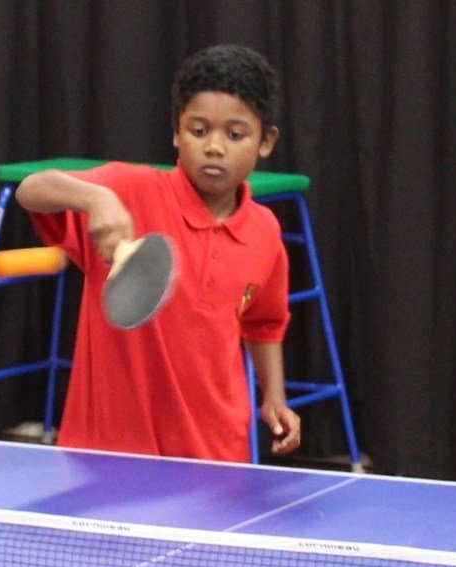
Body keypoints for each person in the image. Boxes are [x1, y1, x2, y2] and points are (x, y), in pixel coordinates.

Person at [16, 44, 299, 462]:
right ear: (176, 131)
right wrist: (94, 198)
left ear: (266, 141)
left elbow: (264, 323)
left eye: (235, 134)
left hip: (215, 458)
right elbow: (31, 190)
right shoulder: (130, 191)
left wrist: (274, 396)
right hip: (107, 454)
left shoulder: (264, 231)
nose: (215, 147)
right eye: (198, 130)